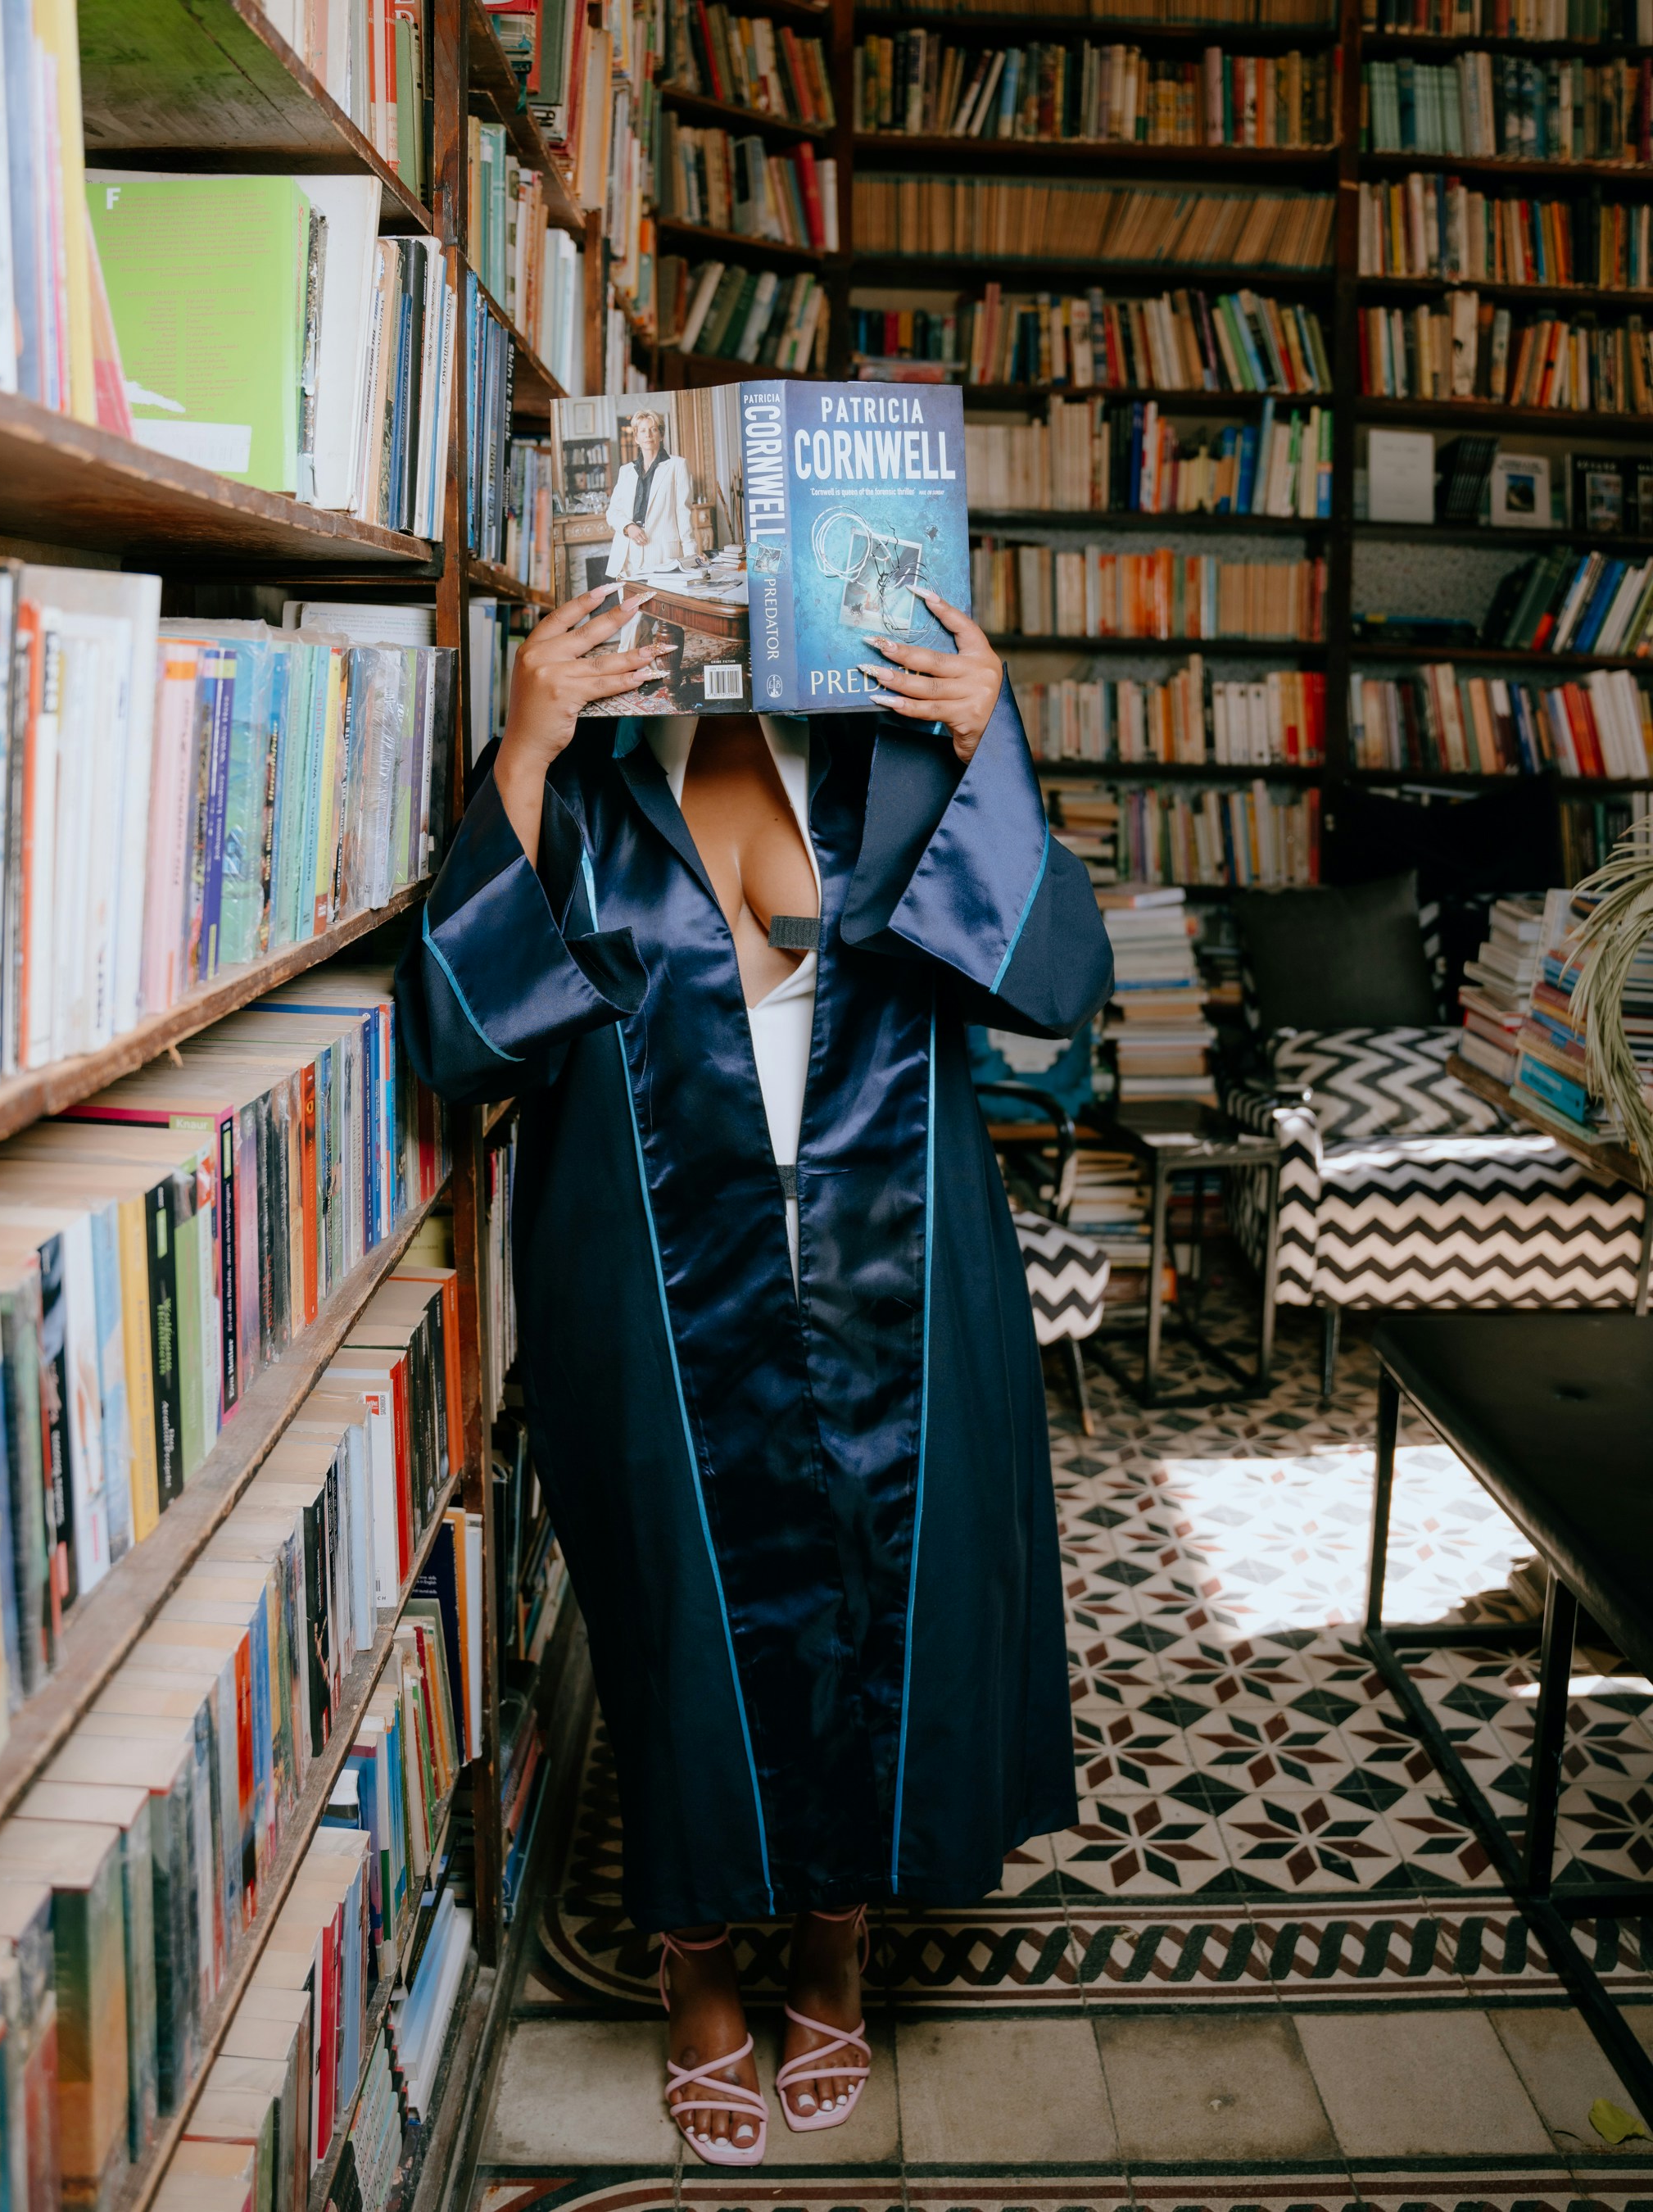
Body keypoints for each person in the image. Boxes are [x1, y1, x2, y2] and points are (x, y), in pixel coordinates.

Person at [395, 585, 1112, 2163]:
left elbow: (1055, 985)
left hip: (896, 1258)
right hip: (646, 1271)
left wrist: (986, 736)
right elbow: (462, 1040)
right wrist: (524, 751)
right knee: (676, 1624)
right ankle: (701, 1963)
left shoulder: (891, 753)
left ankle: (833, 1952)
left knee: (880, 1606)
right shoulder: (590, 769)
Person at [605, 409, 697, 584]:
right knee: (631, 602)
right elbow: (612, 513)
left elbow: (683, 514)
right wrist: (628, 527)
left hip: (663, 555)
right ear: (636, 438)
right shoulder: (626, 471)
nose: (648, 435)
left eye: (653, 429)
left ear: (661, 435)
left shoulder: (677, 466)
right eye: (642, 431)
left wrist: (691, 557)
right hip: (628, 555)